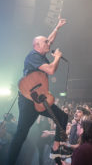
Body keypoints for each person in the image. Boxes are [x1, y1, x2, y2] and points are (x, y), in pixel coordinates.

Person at [7, 17, 68, 165]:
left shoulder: (40, 52)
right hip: (28, 101)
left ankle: (55, 151)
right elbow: (52, 69)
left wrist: (58, 27)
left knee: (62, 117)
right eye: (45, 43)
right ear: (36, 45)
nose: (49, 43)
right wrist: (58, 57)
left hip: (40, 99)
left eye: (48, 42)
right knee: (21, 133)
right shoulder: (33, 56)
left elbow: (50, 39)